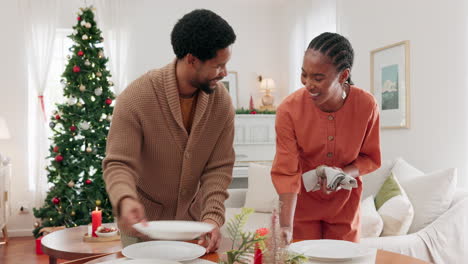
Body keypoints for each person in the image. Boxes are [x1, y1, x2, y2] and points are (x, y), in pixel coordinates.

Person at [103, 9, 236, 252]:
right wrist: (125, 199)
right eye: (218, 65)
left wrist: (212, 218)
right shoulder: (136, 97)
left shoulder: (222, 103)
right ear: (192, 59)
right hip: (142, 227)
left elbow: (219, 167)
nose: (224, 73)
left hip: (194, 228)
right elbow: (119, 163)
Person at [271, 32, 381, 243]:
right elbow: (286, 172)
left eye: (318, 77)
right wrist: (285, 225)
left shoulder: (367, 105)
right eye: (304, 74)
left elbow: (371, 158)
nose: (308, 83)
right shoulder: (288, 110)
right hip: (301, 207)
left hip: (344, 207)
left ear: (343, 75)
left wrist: (343, 173)